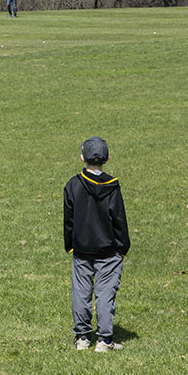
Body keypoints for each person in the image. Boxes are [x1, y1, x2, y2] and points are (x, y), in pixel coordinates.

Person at [63, 136, 130, 352]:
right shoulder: (112, 187)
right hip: (109, 250)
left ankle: (82, 338)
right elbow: (119, 219)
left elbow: (69, 219)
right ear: (107, 158)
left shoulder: (73, 185)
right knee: (105, 293)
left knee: (80, 292)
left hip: (81, 249)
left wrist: (70, 245)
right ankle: (104, 340)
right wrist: (123, 247)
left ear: (82, 157)